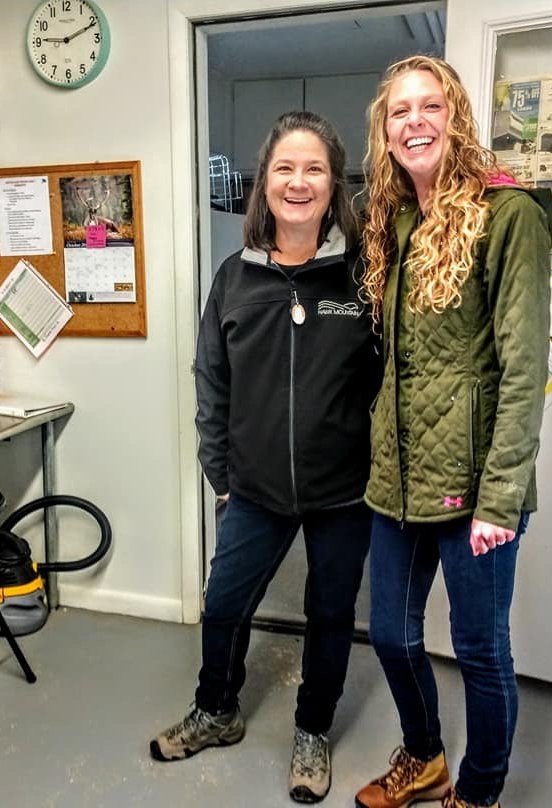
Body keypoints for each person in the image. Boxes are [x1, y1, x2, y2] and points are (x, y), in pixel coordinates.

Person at [149, 111, 380, 804]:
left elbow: (391, 378)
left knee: (331, 616)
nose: (299, 182)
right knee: (222, 607)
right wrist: (221, 474)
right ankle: (217, 710)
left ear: (333, 184)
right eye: (285, 168)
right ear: (264, 184)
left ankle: (313, 730)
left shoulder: (362, 276)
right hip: (252, 488)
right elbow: (211, 381)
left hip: (345, 491)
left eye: (314, 169)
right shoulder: (235, 277)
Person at [354, 55, 552, 808]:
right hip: (397, 480)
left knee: (479, 651)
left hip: (475, 488)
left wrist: (500, 499)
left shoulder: (510, 217)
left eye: (429, 106)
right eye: (399, 111)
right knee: (392, 637)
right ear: (386, 130)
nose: (415, 121)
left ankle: (480, 788)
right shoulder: (396, 219)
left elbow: (523, 370)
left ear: (455, 114)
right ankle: (427, 756)